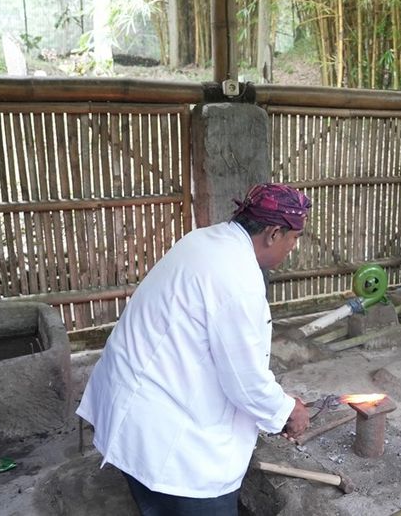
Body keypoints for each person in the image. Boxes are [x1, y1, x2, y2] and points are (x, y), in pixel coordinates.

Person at [76, 183, 312, 515]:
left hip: (133, 410)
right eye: (294, 238)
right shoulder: (237, 278)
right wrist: (288, 411)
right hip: (170, 441)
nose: (294, 247)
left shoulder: (204, 240)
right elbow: (245, 382)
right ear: (273, 233)